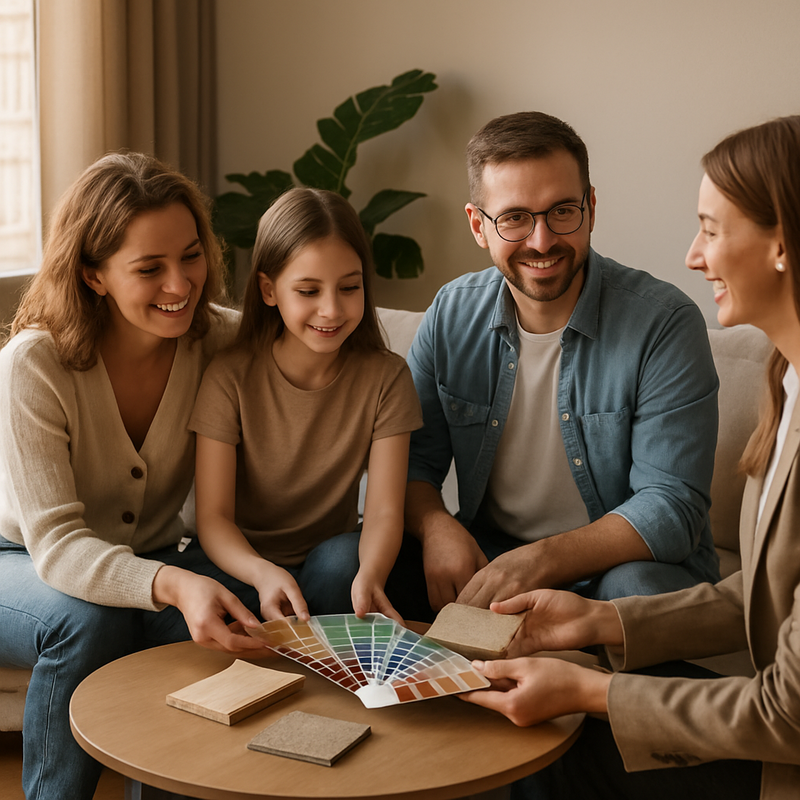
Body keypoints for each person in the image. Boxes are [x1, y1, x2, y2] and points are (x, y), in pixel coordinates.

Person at [461, 114, 800, 800]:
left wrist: (590, 689)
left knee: (560, 746)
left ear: (782, 246)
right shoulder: (786, 384)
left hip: (781, 754)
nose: (693, 256)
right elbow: (769, 597)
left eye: (710, 228)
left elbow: (785, 716)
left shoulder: (663, 322)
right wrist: (595, 623)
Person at [0, 152, 269, 800]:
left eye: (191, 256)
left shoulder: (221, 342)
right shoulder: (33, 366)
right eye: (149, 269)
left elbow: (319, 354)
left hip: (150, 556)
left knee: (227, 618)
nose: (181, 284)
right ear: (94, 275)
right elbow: (59, 549)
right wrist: (174, 583)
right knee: (92, 620)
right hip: (20, 560)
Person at [402, 111, 720, 616]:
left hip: (613, 570)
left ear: (591, 207)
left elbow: (671, 507)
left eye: (562, 211)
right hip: (492, 557)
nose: (542, 240)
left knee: (634, 587)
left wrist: (538, 562)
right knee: (339, 565)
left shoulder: (665, 322)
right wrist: (438, 527)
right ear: (478, 226)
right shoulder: (450, 312)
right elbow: (410, 462)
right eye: (515, 218)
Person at [190, 187, 422, 623]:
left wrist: (370, 574)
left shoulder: (387, 378)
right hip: (239, 562)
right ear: (269, 290)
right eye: (309, 290)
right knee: (169, 617)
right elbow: (214, 519)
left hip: (327, 562)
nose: (331, 309)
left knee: (342, 570)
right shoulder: (229, 376)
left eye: (349, 287)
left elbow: (385, 511)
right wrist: (262, 574)